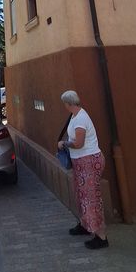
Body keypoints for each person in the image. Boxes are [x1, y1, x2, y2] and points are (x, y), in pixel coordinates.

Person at [58, 90, 109, 250]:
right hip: (81, 163)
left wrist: (64, 144)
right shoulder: (75, 116)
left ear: (68, 103)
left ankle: (101, 237)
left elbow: (78, 143)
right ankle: (85, 225)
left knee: (91, 198)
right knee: (82, 196)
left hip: (88, 162)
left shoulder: (80, 118)